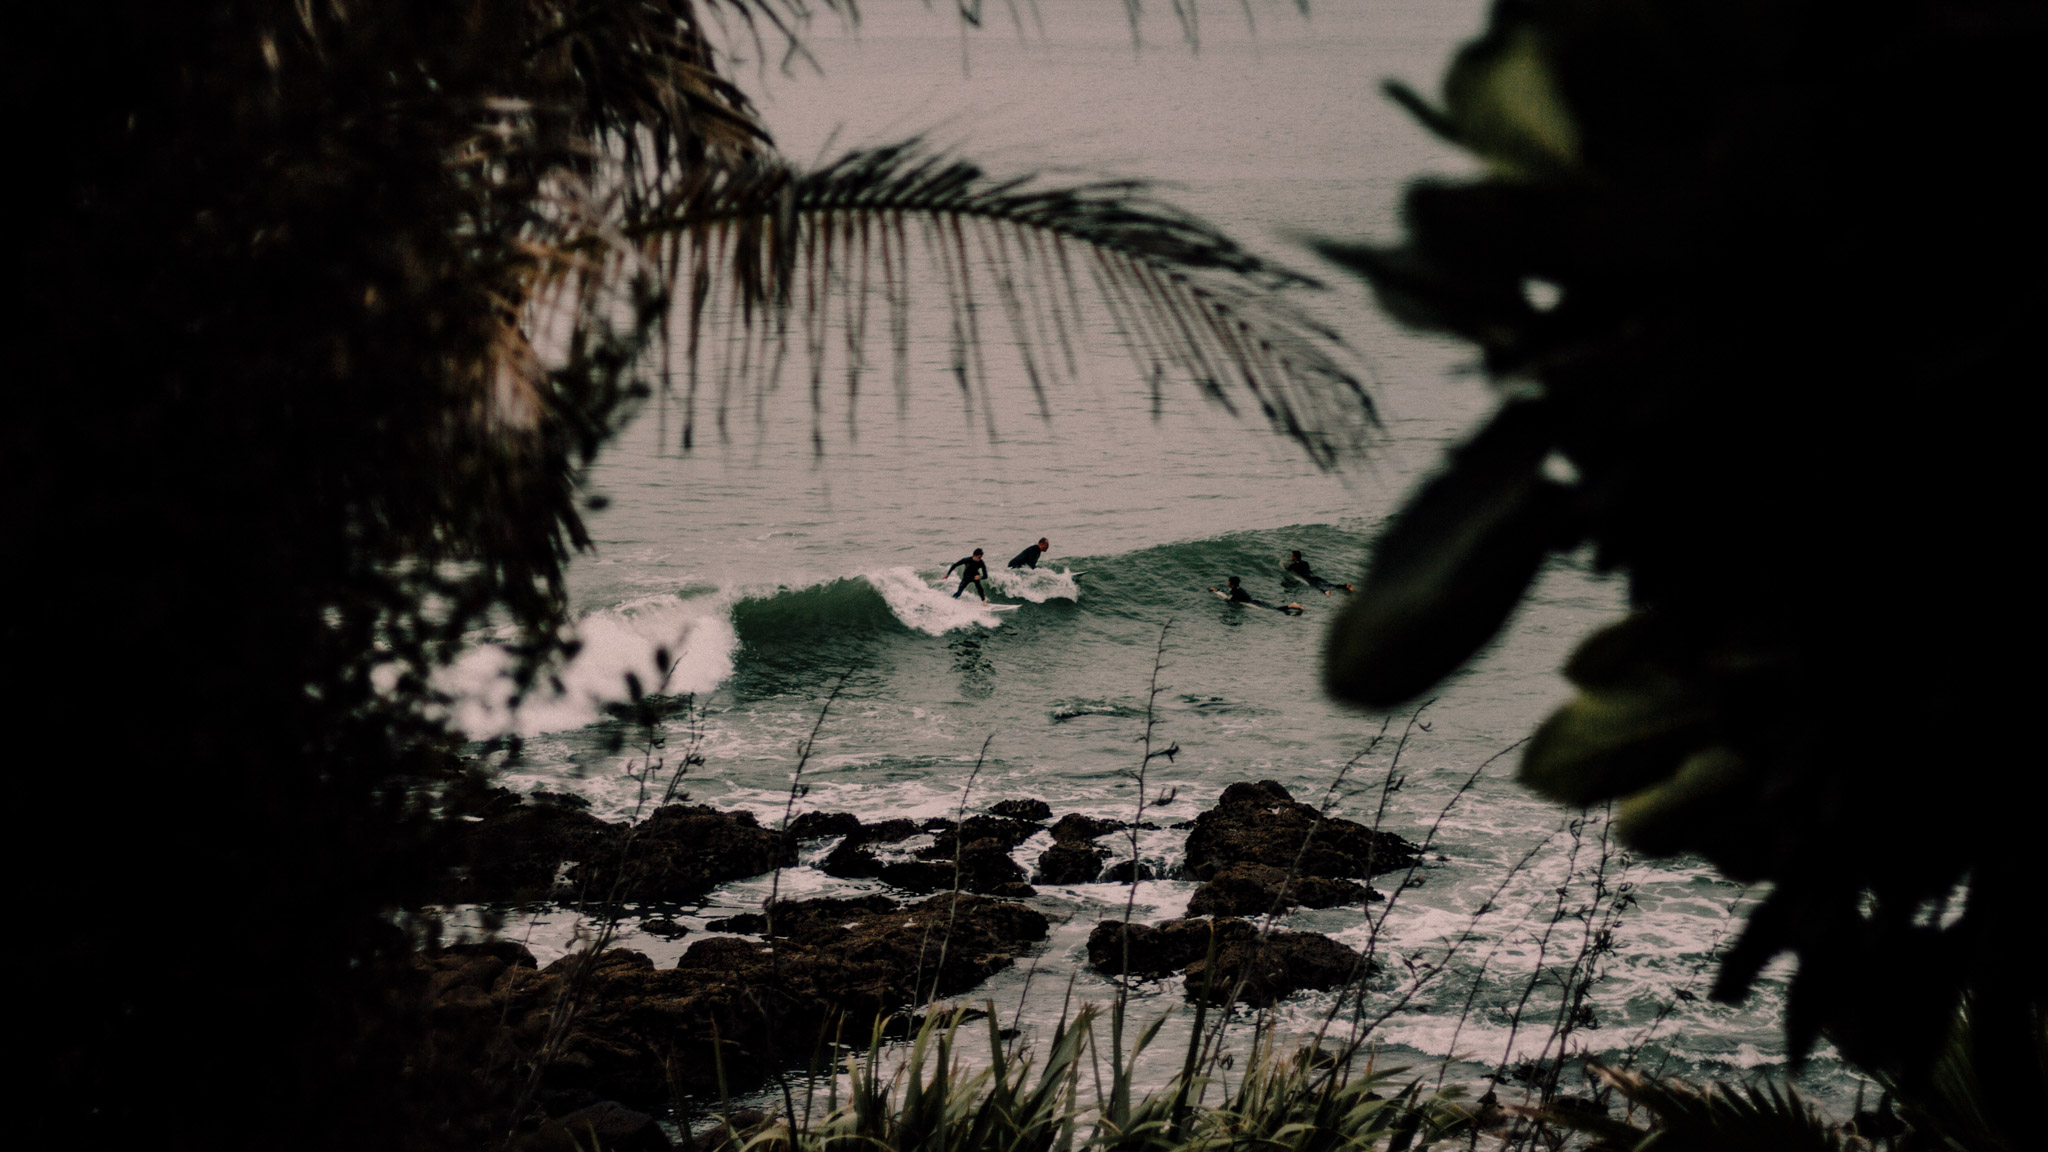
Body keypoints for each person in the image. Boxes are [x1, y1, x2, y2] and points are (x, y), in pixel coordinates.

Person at [1209, 575, 1304, 614]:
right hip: (1255, 601)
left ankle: (1292, 606)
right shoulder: (1237, 588)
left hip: (1253, 604)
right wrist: (1217, 590)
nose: (1227, 583)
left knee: (1275, 610)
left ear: (1232, 584)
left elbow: (1231, 600)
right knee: (1273, 608)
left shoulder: (1234, 591)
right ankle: (1292, 606)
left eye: (1228, 582)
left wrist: (1220, 597)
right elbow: (1229, 593)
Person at [1284, 550, 1354, 595]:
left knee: (1317, 586)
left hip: (1308, 578)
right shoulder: (1306, 563)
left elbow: (1287, 569)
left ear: (1295, 557)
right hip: (1314, 577)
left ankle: (1325, 591)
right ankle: (1345, 586)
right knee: (1329, 584)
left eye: (1292, 556)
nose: (1291, 557)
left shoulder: (1293, 565)